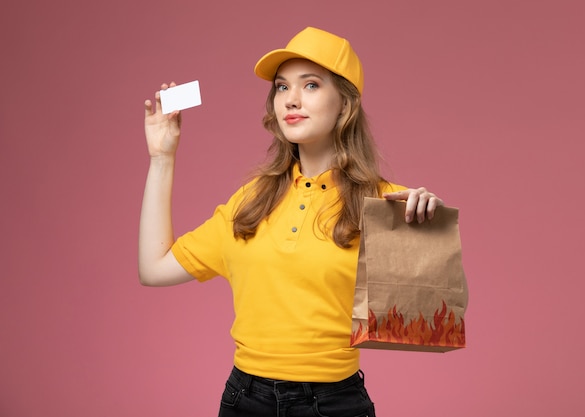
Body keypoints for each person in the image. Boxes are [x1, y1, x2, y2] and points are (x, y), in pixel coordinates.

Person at [140, 26, 444, 417]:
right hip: (243, 401)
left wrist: (429, 231)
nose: (292, 100)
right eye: (282, 88)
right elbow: (153, 268)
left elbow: (428, 321)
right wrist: (162, 158)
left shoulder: (386, 204)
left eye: (311, 85)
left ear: (345, 104)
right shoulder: (250, 200)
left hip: (334, 405)